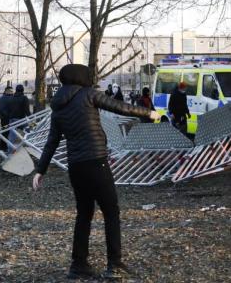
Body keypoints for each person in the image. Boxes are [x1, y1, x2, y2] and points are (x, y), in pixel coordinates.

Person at [33, 64, 159, 280]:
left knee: (84, 214)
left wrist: (40, 170)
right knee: (111, 212)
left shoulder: (58, 107)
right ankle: (114, 264)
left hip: (76, 167)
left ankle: (78, 265)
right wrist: (149, 113)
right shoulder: (88, 94)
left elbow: (51, 142)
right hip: (96, 162)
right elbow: (121, 107)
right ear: (81, 77)